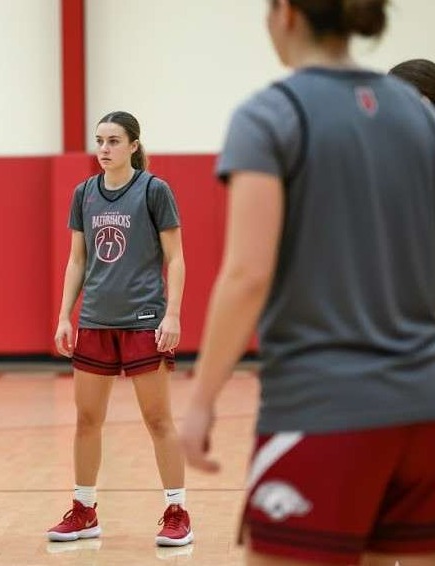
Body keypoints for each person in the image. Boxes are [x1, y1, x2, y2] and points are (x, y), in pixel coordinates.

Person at [180, 1, 435, 565]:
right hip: (424, 414)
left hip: (324, 411)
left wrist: (200, 401)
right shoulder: (418, 116)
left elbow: (247, 274)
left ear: (288, 15)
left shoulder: (270, 114)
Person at [45, 110, 191, 548]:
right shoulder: (84, 193)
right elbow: (77, 260)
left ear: (133, 145)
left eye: (113, 141)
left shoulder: (154, 190)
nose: (104, 149)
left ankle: (177, 511)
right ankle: (84, 509)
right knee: (86, 420)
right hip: (95, 321)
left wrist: (172, 314)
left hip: (144, 320)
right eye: (99, 141)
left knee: (158, 419)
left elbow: (176, 258)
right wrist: (64, 315)